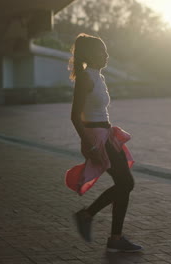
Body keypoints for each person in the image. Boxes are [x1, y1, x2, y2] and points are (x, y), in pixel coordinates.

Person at [65, 33, 142, 252]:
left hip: (106, 134)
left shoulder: (98, 76)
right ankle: (87, 215)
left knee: (124, 185)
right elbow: (74, 116)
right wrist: (89, 145)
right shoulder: (86, 77)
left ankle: (115, 239)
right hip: (96, 138)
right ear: (90, 54)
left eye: (106, 51)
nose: (106, 55)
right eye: (101, 51)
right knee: (126, 184)